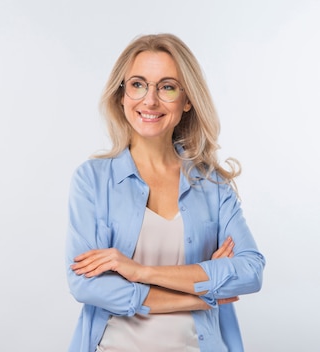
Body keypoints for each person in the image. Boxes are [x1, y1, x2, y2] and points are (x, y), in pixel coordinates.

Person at [65, 33, 265, 352]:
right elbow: (86, 284)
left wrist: (140, 272)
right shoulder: (92, 179)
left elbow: (250, 271)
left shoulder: (212, 184)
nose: (150, 100)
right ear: (121, 95)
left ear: (187, 100)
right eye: (138, 84)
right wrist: (198, 294)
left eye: (167, 86)